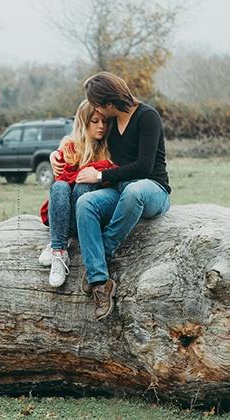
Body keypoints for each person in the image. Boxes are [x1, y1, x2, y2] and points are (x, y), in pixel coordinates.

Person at [74, 71, 171, 321]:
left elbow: (144, 167)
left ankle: (101, 256)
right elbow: (83, 138)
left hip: (151, 190)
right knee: (86, 203)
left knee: (133, 190)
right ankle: (99, 282)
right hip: (119, 190)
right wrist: (58, 154)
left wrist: (99, 177)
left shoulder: (147, 116)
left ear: (108, 102)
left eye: (97, 104)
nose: (97, 110)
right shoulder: (110, 123)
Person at [38, 99, 117, 288]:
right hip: (64, 212)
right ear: (83, 122)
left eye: (104, 122)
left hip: (89, 217)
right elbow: (61, 178)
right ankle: (59, 251)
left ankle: (59, 241)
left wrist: (95, 175)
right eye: (95, 121)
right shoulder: (70, 147)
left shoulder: (110, 148)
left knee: (83, 187)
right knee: (59, 187)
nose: (101, 126)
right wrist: (53, 155)